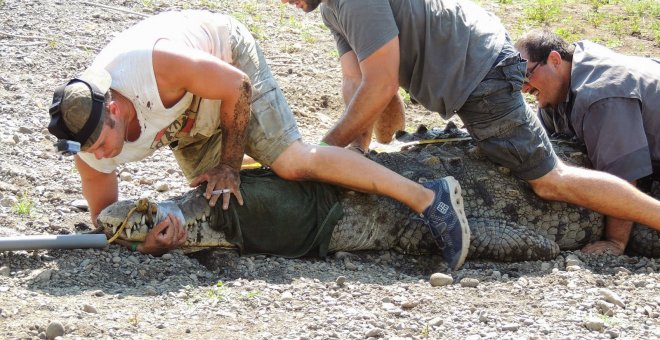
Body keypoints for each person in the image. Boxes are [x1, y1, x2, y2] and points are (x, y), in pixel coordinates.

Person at [47, 10, 471, 270]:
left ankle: (428, 198)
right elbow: (108, 227)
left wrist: (230, 163)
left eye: (101, 142)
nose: (99, 155)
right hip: (186, 115)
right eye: (88, 151)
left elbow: (237, 86)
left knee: (290, 161)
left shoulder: (155, 66)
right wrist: (150, 248)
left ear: (116, 108)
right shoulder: (90, 149)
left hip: (226, 61)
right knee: (220, 202)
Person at [279, 0, 660, 236]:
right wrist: (356, 149)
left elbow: (379, 87)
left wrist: (323, 152)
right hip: (473, 64)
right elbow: (357, 81)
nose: (284, 1)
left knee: (550, 181)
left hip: (480, 71)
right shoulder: (332, 8)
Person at [514, 29, 660, 255]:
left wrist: (616, 242)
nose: (523, 88)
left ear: (554, 60)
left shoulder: (600, 94)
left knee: (641, 241)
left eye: (526, 76)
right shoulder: (561, 85)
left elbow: (623, 175)